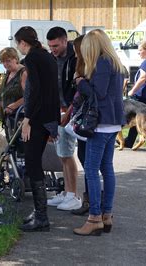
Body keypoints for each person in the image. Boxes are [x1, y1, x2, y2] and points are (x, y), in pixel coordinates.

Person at [73, 29, 126, 236]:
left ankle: (94, 217)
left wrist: (81, 82)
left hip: (101, 123)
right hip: (112, 122)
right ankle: (107, 215)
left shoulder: (103, 63)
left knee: (91, 168)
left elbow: (98, 93)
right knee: (107, 168)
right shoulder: (116, 63)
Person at [15, 26, 60, 232]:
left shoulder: (32, 59)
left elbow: (35, 91)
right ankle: (38, 211)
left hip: (38, 118)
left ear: (24, 43)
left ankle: (42, 217)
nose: (19, 48)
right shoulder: (47, 57)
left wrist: (27, 118)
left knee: (33, 163)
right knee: (34, 161)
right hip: (49, 116)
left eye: (18, 44)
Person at [45, 27, 81, 211]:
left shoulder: (75, 57)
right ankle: (67, 192)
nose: (53, 49)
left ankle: (73, 195)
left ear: (65, 40)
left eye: (56, 45)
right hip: (58, 108)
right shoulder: (53, 58)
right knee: (62, 154)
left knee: (68, 154)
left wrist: (68, 112)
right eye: (50, 46)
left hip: (70, 110)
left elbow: (78, 89)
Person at [69, 35, 92, 216]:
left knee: (91, 164)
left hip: (89, 122)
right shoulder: (82, 66)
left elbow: (90, 95)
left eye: (77, 52)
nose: (75, 55)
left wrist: (79, 81)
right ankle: (90, 200)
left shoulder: (91, 69)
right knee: (84, 158)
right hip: (83, 120)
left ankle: (92, 203)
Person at [0, 47, 27, 130]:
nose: (5, 64)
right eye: (3, 62)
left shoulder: (23, 73)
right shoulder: (9, 72)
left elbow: (29, 96)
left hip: (18, 117)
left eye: (8, 61)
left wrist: (14, 105)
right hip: (7, 118)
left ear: (16, 59)